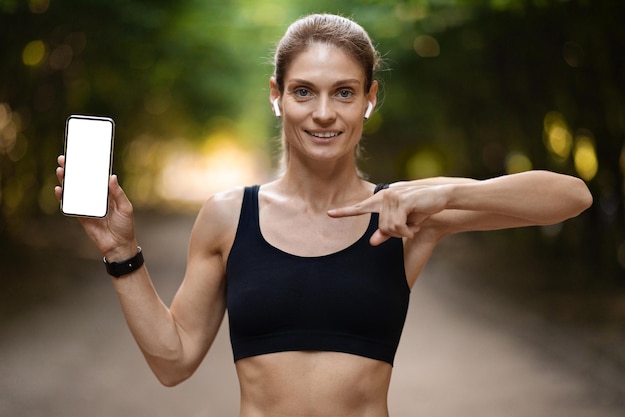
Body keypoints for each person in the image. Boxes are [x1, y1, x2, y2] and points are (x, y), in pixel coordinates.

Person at [55, 13, 592, 417]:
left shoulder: (405, 210)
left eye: (344, 92)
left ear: (369, 99)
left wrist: (442, 196)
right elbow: (173, 362)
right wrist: (121, 252)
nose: (324, 113)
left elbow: (571, 196)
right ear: (276, 95)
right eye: (304, 91)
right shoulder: (227, 216)